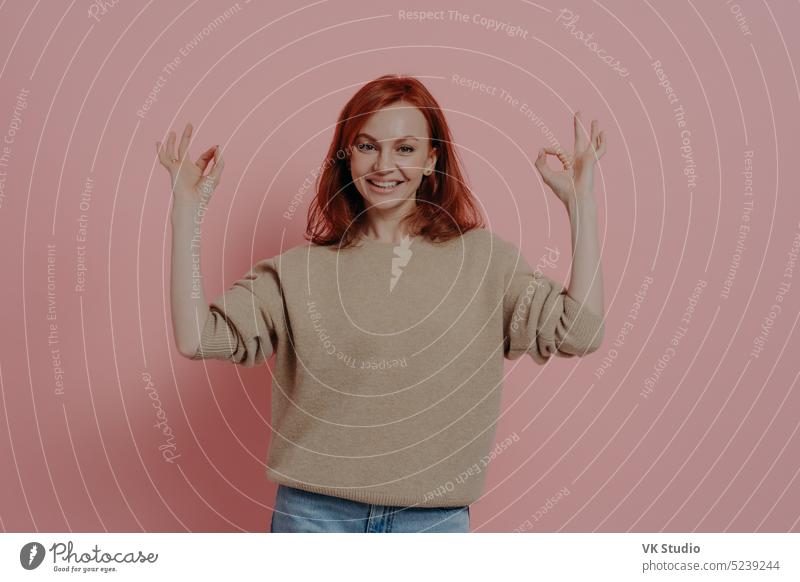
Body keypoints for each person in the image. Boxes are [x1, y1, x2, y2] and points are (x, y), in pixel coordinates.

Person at [156, 74, 607, 533]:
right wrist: (186, 211)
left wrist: (582, 205)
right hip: (314, 517)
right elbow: (197, 338)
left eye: (405, 148)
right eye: (368, 146)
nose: (384, 164)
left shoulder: (486, 262)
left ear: (433, 159)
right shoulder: (298, 272)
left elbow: (581, 331)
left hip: (433, 523)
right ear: (347, 155)